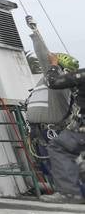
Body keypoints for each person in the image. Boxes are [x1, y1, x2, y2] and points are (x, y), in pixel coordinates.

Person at [42, 52, 85, 203]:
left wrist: (53, 65)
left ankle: (69, 194)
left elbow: (52, 82)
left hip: (80, 131)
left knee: (58, 147)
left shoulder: (81, 76)